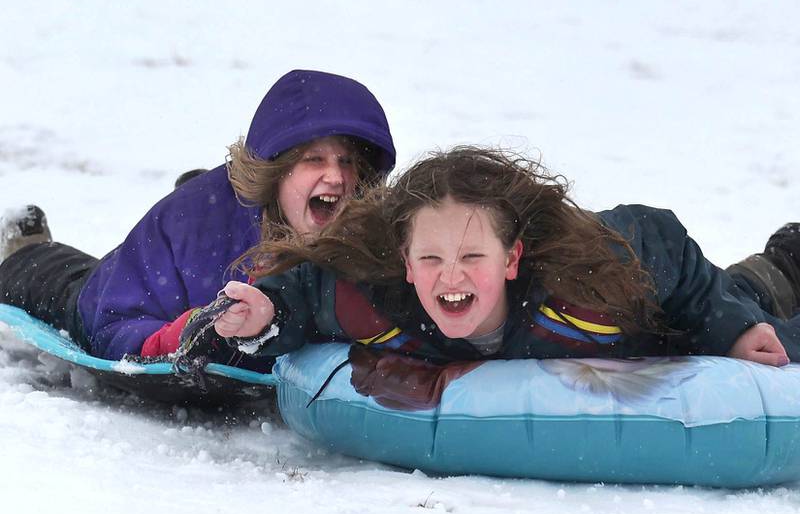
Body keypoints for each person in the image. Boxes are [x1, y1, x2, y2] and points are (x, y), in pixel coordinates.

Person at [199, 146, 800, 369]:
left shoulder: (584, 274)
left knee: (764, 317)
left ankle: (784, 262)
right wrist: (267, 314)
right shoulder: (376, 296)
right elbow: (303, 294)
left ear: (511, 259)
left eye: (471, 256)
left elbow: (663, 245)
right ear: (405, 263)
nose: (451, 276)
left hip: (668, 317)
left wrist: (733, 326)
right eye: (431, 257)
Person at [0, 69, 396, 372]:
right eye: (315, 160)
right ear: (276, 172)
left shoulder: (360, 234)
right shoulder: (195, 228)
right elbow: (112, 321)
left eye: (347, 162)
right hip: (116, 289)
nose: (337, 177)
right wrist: (186, 332)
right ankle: (25, 244)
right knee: (65, 284)